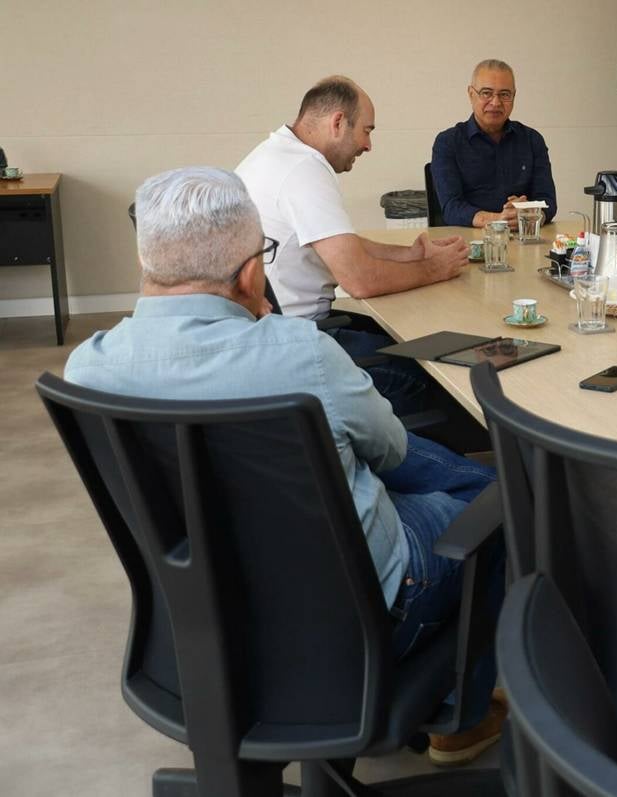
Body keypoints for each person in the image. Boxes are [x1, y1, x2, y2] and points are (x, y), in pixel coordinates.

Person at [65, 167, 505, 766]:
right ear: (252, 274)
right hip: (360, 618)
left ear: (146, 262)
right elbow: (391, 452)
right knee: (495, 512)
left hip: (202, 628)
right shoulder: (302, 355)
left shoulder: (89, 369)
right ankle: (460, 718)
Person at [236, 76, 469, 415]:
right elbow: (361, 281)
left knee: (404, 341)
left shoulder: (275, 154)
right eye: (366, 131)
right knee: (443, 376)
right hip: (301, 347)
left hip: (273, 338)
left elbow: (339, 244)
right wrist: (436, 268)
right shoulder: (303, 170)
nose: (368, 146)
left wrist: (411, 255)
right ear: (338, 123)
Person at [431, 59, 557, 228]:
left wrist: (530, 213)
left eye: (504, 94)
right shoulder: (448, 143)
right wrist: (499, 219)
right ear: (471, 94)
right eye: (486, 93)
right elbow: (451, 208)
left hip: (524, 235)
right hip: (471, 238)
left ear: (514, 96)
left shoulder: (532, 140)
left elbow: (548, 202)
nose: (496, 102)